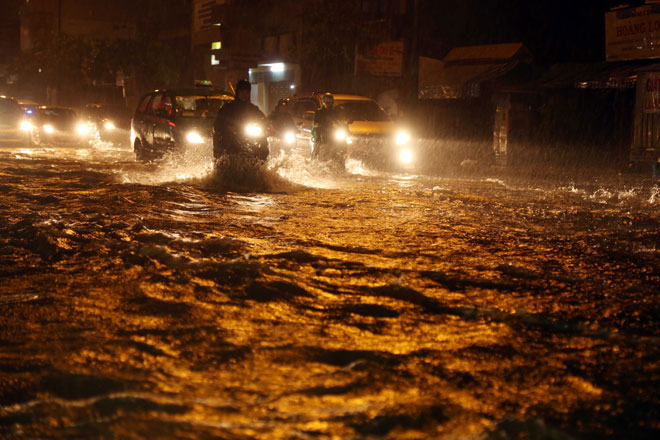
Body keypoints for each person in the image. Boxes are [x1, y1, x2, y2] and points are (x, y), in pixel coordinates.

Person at [212, 79, 265, 158]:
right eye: (242, 92)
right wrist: (227, 127)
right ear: (238, 92)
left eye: (247, 92)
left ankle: (261, 161)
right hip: (229, 138)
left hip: (249, 136)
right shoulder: (227, 108)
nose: (245, 94)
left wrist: (266, 125)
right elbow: (218, 123)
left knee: (262, 143)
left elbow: (262, 119)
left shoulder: (253, 109)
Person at [311, 93, 341, 159]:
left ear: (332, 102)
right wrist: (317, 125)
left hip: (332, 133)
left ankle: (341, 157)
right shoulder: (319, 112)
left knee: (342, 143)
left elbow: (340, 122)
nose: (328, 103)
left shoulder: (335, 112)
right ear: (323, 102)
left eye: (329, 101)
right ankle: (314, 159)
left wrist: (343, 126)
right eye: (326, 101)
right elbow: (314, 122)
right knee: (317, 144)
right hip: (321, 132)